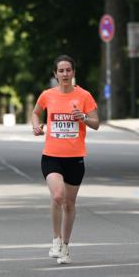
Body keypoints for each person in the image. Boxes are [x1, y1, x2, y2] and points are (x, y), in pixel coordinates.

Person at [32, 55, 99, 264]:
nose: (65, 74)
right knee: (58, 195)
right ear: (55, 74)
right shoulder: (47, 95)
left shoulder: (84, 96)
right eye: (61, 71)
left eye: (68, 70)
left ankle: (66, 247)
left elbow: (96, 123)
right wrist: (36, 125)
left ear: (73, 72)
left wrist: (84, 118)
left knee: (69, 204)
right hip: (51, 155)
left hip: (75, 157)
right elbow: (36, 113)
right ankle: (55, 239)